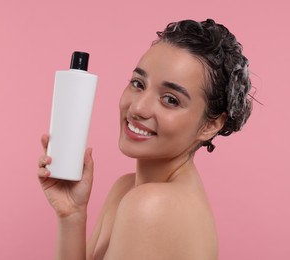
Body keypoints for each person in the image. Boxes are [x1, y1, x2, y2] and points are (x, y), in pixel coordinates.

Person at [37, 18, 252, 260]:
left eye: (170, 99)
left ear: (211, 125)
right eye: (138, 84)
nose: (138, 107)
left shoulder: (152, 206)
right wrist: (72, 215)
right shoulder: (126, 189)